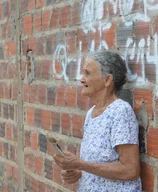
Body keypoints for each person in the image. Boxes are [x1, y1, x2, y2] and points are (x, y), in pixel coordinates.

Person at [53, 51, 142, 191]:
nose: (82, 79)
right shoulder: (91, 114)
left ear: (107, 80)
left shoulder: (120, 112)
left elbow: (130, 170)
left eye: (87, 73)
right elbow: (97, 165)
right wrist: (78, 172)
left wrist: (81, 164)